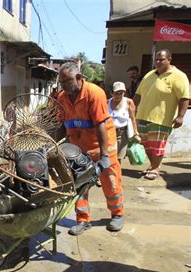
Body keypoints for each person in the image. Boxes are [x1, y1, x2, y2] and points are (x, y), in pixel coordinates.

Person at [56, 62, 124, 235]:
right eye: (61, 82)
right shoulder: (62, 98)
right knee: (80, 185)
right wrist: (55, 147)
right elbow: (61, 125)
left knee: (110, 182)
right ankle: (83, 220)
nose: (63, 85)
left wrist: (104, 156)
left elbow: (101, 124)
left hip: (102, 146)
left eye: (67, 81)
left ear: (79, 78)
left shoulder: (94, 93)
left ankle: (117, 215)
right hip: (78, 150)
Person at [133, 49, 190, 180]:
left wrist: (180, 116)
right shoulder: (149, 75)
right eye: (156, 59)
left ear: (169, 59)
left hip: (161, 119)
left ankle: (155, 168)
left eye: (161, 59)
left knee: (157, 146)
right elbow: (138, 95)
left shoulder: (178, 76)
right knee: (146, 144)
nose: (158, 62)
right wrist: (129, 108)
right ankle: (153, 165)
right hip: (142, 116)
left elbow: (184, 98)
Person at [108, 81, 141, 163]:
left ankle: (117, 174)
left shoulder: (128, 102)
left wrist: (135, 133)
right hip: (109, 133)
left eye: (121, 93)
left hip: (122, 134)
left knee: (118, 157)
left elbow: (133, 118)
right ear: (111, 93)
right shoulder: (107, 103)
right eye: (116, 93)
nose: (119, 95)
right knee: (109, 156)